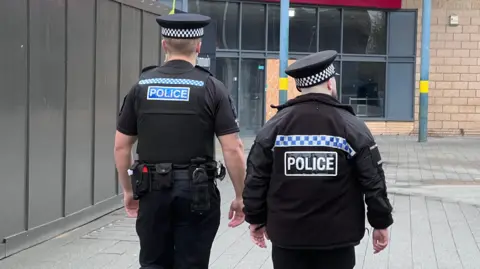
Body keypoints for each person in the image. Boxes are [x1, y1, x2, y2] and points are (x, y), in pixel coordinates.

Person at [114, 13, 246, 269]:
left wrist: (129, 191)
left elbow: (121, 146)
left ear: (164, 44)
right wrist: (241, 196)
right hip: (197, 193)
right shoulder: (213, 88)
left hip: (151, 191)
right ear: (198, 46)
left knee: (153, 263)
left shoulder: (140, 87)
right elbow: (233, 147)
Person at [242, 50, 394, 269]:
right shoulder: (352, 127)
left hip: (288, 241)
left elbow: (255, 177)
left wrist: (255, 219)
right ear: (330, 84)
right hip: (337, 242)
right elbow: (373, 181)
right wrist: (381, 222)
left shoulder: (274, 127)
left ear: (300, 87)